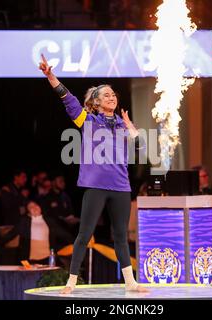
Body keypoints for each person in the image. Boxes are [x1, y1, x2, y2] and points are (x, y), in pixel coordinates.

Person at [39, 54, 148, 294]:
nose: (112, 97)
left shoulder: (121, 124)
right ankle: (71, 282)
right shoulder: (87, 120)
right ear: (96, 103)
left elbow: (141, 151)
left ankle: (131, 282)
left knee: (120, 237)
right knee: (84, 235)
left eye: (113, 94)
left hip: (121, 187)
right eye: (106, 95)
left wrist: (130, 127)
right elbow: (67, 99)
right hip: (96, 186)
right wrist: (50, 76)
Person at [0, 201, 72, 264]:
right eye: (30, 207)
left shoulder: (50, 221)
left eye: (35, 205)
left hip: (48, 259)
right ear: (28, 213)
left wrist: (78, 241)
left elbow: (63, 234)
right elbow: (11, 234)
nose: (34, 207)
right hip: (30, 261)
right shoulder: (24, 222)